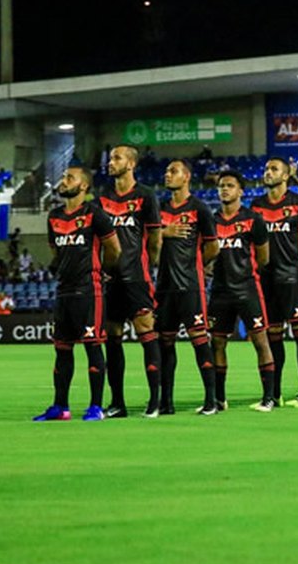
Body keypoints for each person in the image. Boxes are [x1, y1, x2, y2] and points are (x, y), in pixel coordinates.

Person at [33, 164, 121, 422]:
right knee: (62, 350)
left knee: (93, 348)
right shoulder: (54, 216)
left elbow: (114, 248)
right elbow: (55, 251)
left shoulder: (95, 214)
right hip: (64, 292)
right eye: (63, 176)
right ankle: (60, 406)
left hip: (89, 291)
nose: (63, 181)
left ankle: (96, 406)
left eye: (69, 177)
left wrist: (102, 271)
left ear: (83, 185)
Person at [99, 145, 163, 418]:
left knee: (146, 334)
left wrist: (146, 265)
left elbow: (155, 241)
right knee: (112, 339)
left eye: (117, 158)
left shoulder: (146, 196)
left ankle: (155, 401)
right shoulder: (103, 197)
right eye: (110, 158)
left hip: (136, 277)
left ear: (131, 163)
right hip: (110, 279)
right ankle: (117, 402)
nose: (111, 162)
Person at [252, 157, 298, 408]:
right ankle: (275, 393)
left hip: (292, 277)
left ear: (286, 174)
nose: (268, 172)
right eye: (266, 168)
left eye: (274, 169)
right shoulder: (256, 205)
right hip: (267, 280)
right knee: (273, 336)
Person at [208, 170, 277, 411]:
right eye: (221, 186)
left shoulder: (253, 219)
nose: (224, 189)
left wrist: (245, 273)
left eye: (229, 185)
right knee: (217, 343)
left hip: (247, 289)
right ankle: (219, 399)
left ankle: (268, 398)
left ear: (241, 191)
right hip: (219, 292)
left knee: (260, 341)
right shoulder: (212, 220)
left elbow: (264, 256)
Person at [156, 159, 220, 415]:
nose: (167, 174)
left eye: (173, 171)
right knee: (165, 344)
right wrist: (164, 233)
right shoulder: (159, 209)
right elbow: (146, 239)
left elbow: (213, 247)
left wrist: (195, 268)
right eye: (167, 170)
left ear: (186, 177)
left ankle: (211, 401)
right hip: (164, 287)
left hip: (190, 288)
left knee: (199, 342)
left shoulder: (200, 209)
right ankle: (166, 402)